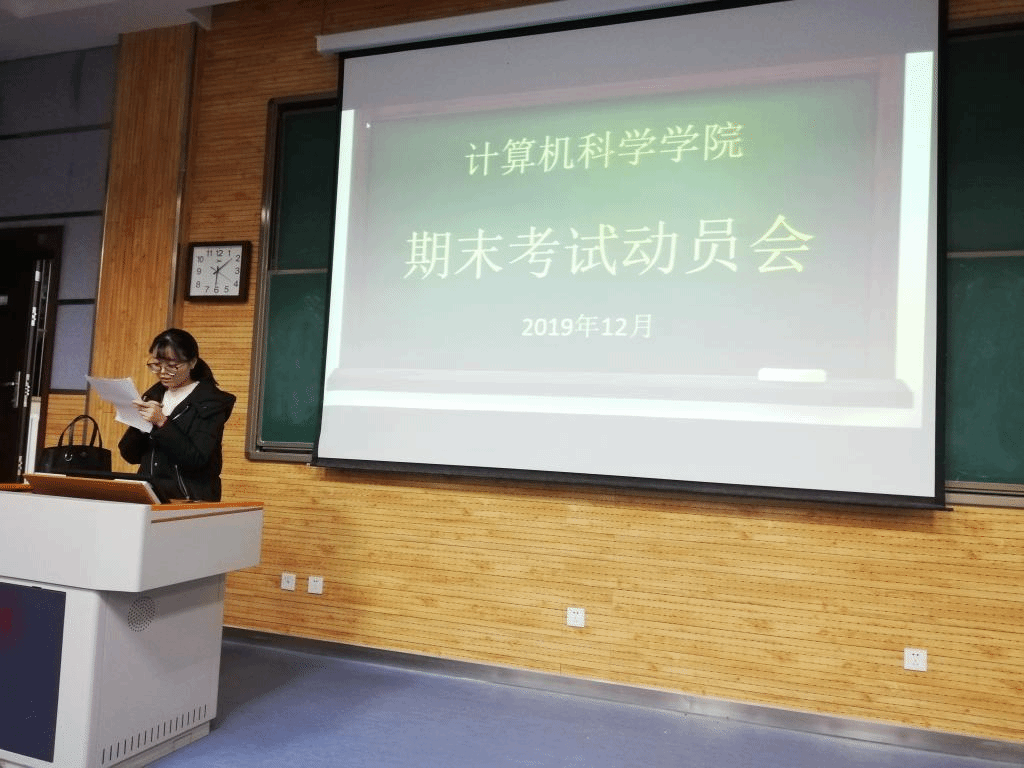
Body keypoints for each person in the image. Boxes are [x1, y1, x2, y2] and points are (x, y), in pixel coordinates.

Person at [118, 328, 235, 502]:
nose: (162, 372)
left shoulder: (211, 402)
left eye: (172, 366)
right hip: (150, 496)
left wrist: (162, 422)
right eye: (157, 365)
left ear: (192, 362)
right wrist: (140, 426)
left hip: (191, 499)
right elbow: (130, 455)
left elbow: (196, 459)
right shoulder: (153, 396)